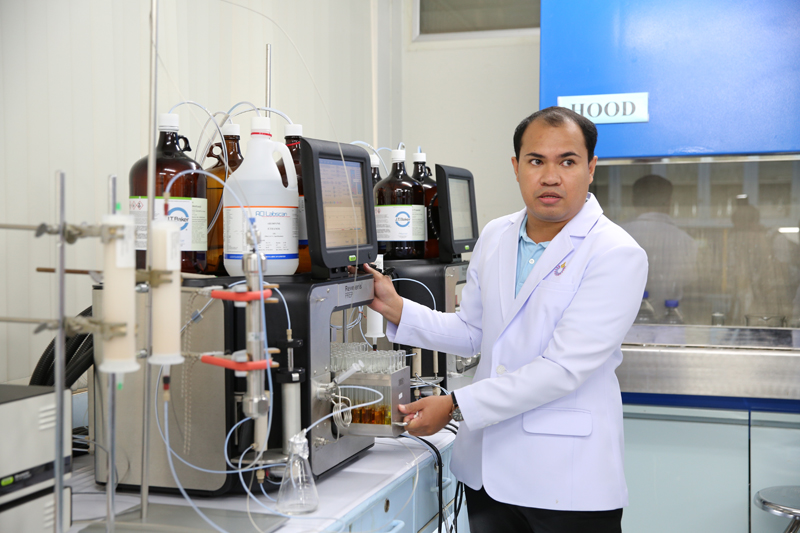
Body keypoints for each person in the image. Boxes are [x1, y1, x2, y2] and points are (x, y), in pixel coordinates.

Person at [365, 106, 647, 533]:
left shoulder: (615, 253)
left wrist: (456, 404)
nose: (550, 177)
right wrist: (398, 309)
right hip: (487, 476)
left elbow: (562, 369)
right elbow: (475, 332)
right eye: (536, 161)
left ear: (591, 169)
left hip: (566, 483)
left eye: (567, 161)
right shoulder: (497, 235)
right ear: (516, 168)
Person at [620, 174, 698, 317]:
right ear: (669, 202)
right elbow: (689, 283)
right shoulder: (687, 242)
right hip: (670, 327)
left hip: (626, 327)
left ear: (633, 201)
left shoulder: (617, 236)